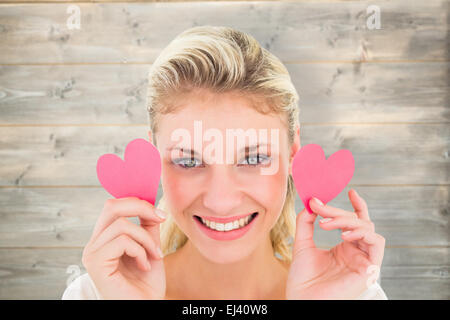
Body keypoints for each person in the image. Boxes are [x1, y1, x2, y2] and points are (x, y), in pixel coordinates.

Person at [62, 26, 387, 300]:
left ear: (292, 153)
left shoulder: (352, 294)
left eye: (255, 158)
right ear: (153, 157)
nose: (220, 200)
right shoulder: (98, 294)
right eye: (189, 161)